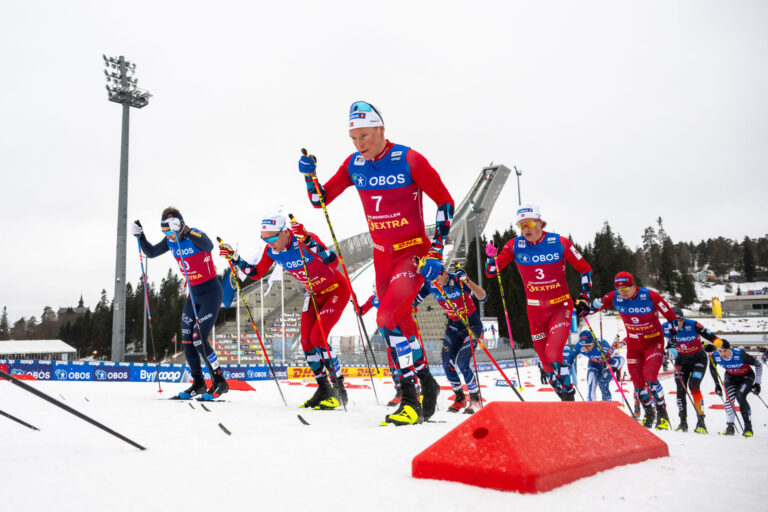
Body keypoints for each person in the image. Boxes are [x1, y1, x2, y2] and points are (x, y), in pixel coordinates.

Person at [299, 101, 453, 426]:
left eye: (365, 136)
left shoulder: (410, 159)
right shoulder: (354, 164)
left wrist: (438, 249)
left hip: (412, 252)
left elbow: (445, 201)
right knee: (402, 324)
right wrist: (309, 176)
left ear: (382, 130)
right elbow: (320, 200)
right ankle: (427, 383)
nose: (359, 145)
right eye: (353, 138)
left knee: (386, 319)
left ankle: (409, 399)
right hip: (382, 255)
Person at [219, 212, 350, 409]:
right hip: (313, 295)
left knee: (318, 338)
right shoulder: (271, 250)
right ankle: (324, 388)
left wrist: (306, 239)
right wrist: (235, 258)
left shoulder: (304, 238)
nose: (269, 243)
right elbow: (256, 273)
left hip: (335, 290)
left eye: (272, 238)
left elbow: (332, 261)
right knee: (306, 342)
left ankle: (339, 389)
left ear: (285, 232)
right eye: (264, 239)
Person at [485, 204, 593, 401]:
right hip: (535, 310)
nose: (525, 228)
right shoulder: (514, 245)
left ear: (540, 223)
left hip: (561, 306)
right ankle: (563, 397)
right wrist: (490, 258)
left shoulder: (558, 242)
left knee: (553, 354)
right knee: (546, 364)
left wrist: (585, 297)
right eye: (521, 225)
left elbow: (585, 270)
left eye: (530, 223)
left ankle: (569, 397)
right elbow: (492, 272)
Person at [131, 207, 228, 399]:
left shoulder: (193, 235)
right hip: (193, 294)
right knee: (186, 340)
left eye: (170, 231)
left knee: (199, 338)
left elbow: (208, 246)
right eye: (164, 232)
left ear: (180, 226)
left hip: (210, 292)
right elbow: (150, 252)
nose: (168, 235)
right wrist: (140, 236)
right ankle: (198, 383)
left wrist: (186, 230)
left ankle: (219, 381)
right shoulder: (170, 241)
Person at [591, 271, 678, 429]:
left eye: (625, 289)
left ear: (633, 285)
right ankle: (649, 414)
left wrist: (672, 343)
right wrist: (593, 305)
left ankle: (662, 415)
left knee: (650, 377)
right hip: (634, 345)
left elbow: (672, 319)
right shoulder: (614, 297)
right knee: (637, 383)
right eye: (619, 289)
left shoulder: (650, 296)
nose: (622, 293)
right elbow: (590, 309)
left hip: (653, 342)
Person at [413, 268, 487, 414]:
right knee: (446, 362)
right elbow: (415, 300)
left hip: (471, 326)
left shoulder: (458, 281)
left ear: (444, 273)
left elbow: (483, 297)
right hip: (453, 327)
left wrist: (467, 281)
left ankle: (475, 398)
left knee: (462, 362)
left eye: (438, 279)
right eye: (433, 281)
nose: (436, 283)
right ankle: (460, 398)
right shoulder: (431, 284)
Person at [662, 307, 723, 434]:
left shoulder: (693, 325)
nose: (674, 325)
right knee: (680, 389)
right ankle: (682, 422)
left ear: (683, 320)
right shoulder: (665, 327)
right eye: (671, 321)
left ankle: (701, 423)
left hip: (698, 359)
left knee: (694, 385)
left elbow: (717, 340)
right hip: (681, 360)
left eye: (677, 321)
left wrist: (713, 346)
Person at [706, 340, 762, 437]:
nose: (722, 354)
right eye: (720, 351)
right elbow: (712, 367)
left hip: (746, 376)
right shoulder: (715, 356)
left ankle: (748, 427)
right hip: (731, 377)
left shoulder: (740, 354)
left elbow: (758, 364)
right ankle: (730, 426)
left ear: (730, 349)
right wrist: (717, 384)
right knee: (729, 398)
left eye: (725, 351)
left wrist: (757, 383)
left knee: (740, 396)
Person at [360, 286, 401, 407]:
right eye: (374, 291)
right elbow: (362, 310)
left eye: (377, 290)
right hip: (388, 338)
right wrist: (357, 307)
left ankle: (415, 390)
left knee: (404, 363)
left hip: (399, 335)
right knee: (392, 365)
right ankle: (400, 392)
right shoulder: (374, 299)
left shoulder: (391, 297)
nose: (375, 293)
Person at [565, 330, 625, 402]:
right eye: (583, 346)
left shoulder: (603, 346)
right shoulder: (579, 346)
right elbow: (571, 356)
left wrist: (615, 367)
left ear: (593, 342)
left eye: (588, 346)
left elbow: (620, 359)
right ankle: (591, 406)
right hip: (593, 364)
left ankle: (608, 405)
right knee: (591, 384)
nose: (585, 348)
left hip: (607, 365)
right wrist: (568, 365)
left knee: (603, 384)